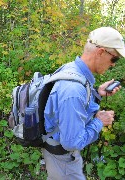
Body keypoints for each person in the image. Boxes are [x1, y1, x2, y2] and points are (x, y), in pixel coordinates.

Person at [42, 27, 125, 180]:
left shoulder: (73, 70)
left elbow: (71, 110)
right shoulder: (73, 89)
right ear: (100, 52)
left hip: (58, 154)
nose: (113, 64)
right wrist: (99, 122)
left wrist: (97, 94)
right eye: (114, 59)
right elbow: (72, 142)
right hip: (63, 160)